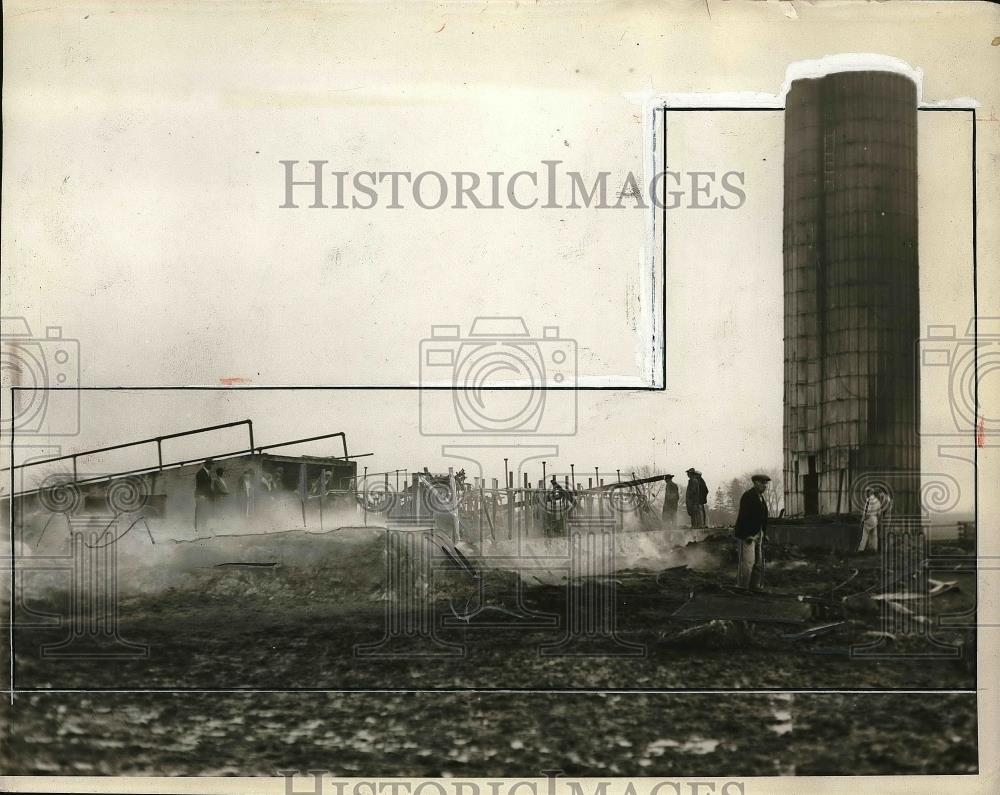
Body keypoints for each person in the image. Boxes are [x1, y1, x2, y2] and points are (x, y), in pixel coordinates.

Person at [734, 473, 771, 591]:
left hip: (758, 534)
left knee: (758, 563)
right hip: (749, 535)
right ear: (755, 483)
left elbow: (763, 518)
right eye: (763, 483)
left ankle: (755, 587)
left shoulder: (761, 497)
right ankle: (743, 587)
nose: (765, 486)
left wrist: (764, 533)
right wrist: (746, 535)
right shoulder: (748, 496)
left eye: (766, 483)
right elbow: (743, 517)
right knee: (748, 563)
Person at [858, 487, 882, 553]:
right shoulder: (877, 501)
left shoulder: (869, 500)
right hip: (875, 518)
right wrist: (878, 520)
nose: (866, 494)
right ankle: (874, 548)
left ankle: (861, 549)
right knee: (874, 534)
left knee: (864, 533)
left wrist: (863, 520)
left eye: (866, 492)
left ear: (869, 492)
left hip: (869, 518)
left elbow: (867, 512)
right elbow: (879, 513)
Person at [194, 458, 213, 530]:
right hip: (201, 495)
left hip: (205, 496)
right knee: (200, 512)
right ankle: (197, 528)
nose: (211, 466)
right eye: (210, 464)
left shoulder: (207, 472)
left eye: (211, 464)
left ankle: (203, 527)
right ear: (206, 464)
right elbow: (200, 485)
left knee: (204, 512)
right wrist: (202, 495)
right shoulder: (201, 473)